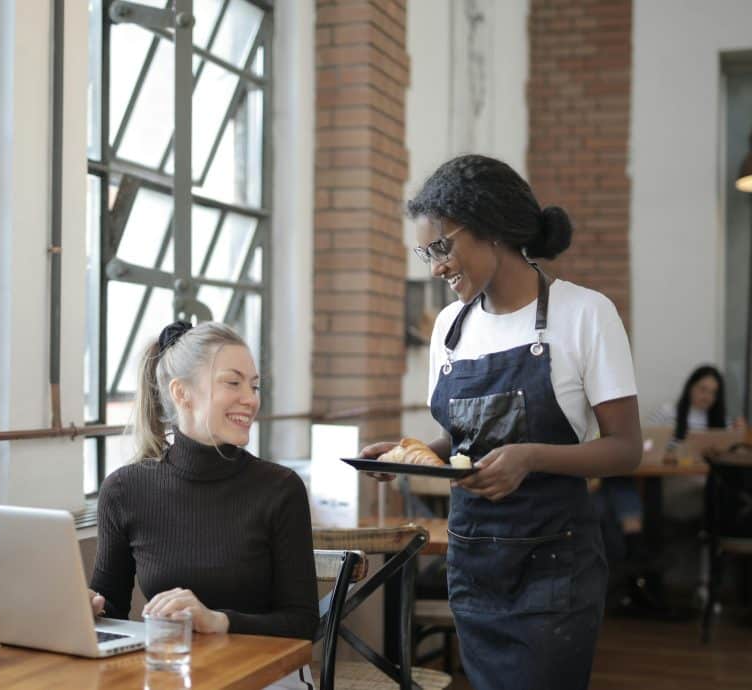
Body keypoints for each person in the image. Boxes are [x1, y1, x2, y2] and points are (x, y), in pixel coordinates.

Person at [364, 154, 642, 690]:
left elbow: (626, 448)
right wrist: (414, 453)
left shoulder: (585, 314)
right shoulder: (449, 327)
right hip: (474, 566)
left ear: (490, 230)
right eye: (426, 253)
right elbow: (464, 437)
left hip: (553, 568)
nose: (435, 267)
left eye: (441, 247)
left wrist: (532, 456)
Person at [89, 320, 318, 689]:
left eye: (255, 385)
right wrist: (85, 608)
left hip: (266, 678)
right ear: (182, 393)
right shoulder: (123, 490)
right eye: (233, 382)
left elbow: (303, 623)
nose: (251, 398)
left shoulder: (280, 489)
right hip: (170, 675)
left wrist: (218, 621)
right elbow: (110, 609)